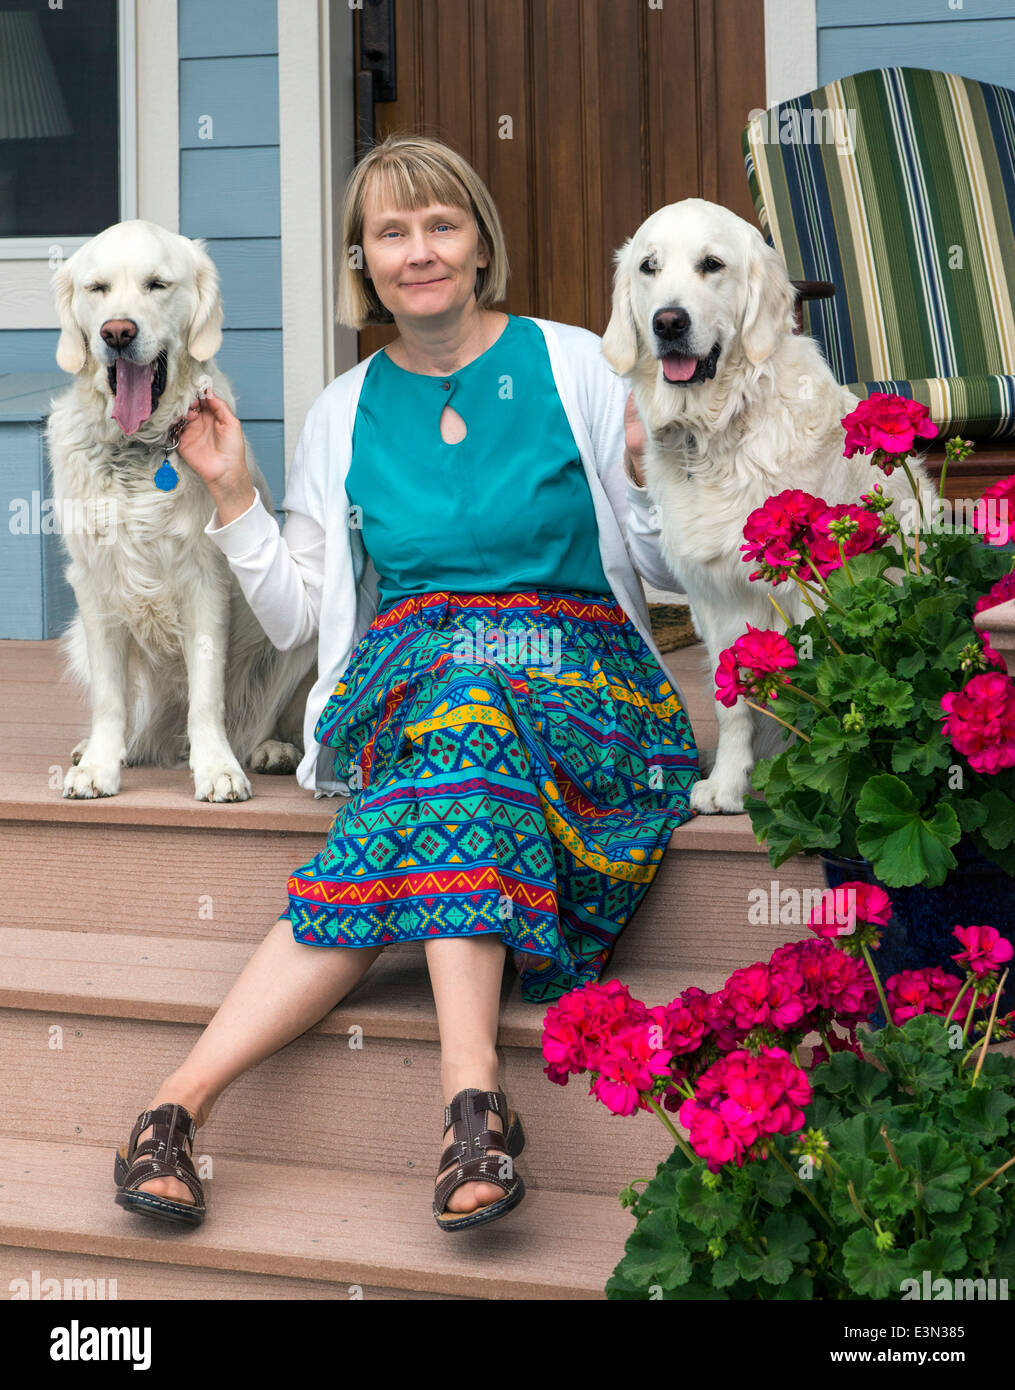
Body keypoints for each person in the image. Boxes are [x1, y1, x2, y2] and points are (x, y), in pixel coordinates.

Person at [112, 133, 699, 1234]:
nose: (418, 250)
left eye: (441, 225)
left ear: (480, 245)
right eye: (391, 232)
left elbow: (666, 572)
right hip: (414, 674)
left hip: (576, 669)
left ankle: (174, 1105)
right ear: (363, 261)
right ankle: (469, 1115)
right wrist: (235, 493)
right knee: (456, 726)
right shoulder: (342, 410)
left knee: (450, 752)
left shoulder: (575, 363)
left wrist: (645, 472)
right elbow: (299, 612)